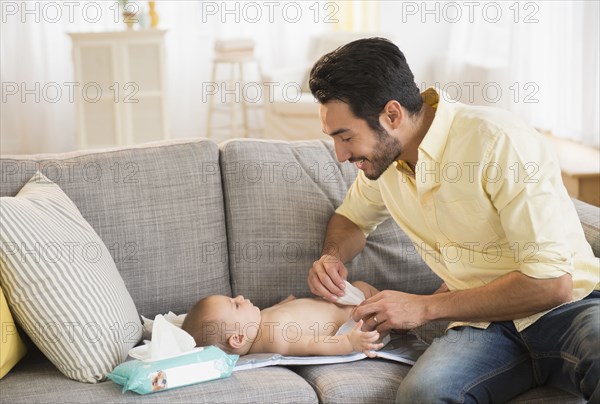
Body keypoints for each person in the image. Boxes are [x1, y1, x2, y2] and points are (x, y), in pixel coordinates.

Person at [306, 37, 599, 403]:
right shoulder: (385, 164)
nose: (339, 154)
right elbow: (351, 218)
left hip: (569, 309)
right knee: (423, 395)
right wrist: (333, 255)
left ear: (392, 115)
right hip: (484, 326)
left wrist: (423, 307)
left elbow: (552, 284)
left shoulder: (497, 141)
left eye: (345, 136)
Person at [181, 281, 385, 357]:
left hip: (345, 302)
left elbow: (274, 314)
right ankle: (404, 327)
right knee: (377, 307)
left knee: (363, 287)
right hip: (353, 323)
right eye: (235, 304)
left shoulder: (258, 323)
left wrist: (284, 305)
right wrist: (349, 341)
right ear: (238, 339)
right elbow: (312, 344)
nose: (240, 297)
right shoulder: (275, 338)